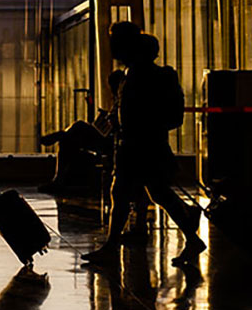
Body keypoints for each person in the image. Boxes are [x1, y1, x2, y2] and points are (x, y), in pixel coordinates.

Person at [82, 22, 205, 267]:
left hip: (139, 145)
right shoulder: (142, 75)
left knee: (129, 193)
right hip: (145, 144)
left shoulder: (138, 76)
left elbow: (135, 112)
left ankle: (112, 246)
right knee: (153, 193)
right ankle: (190, 237)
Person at [38, 69, 124, 193]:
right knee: (69, 136)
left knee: (77, 127)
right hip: (109, 136)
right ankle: (62, 135)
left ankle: (59, 178)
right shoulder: (120, 100)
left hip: (112, 140)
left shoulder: (124, 100)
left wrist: (110, 119)